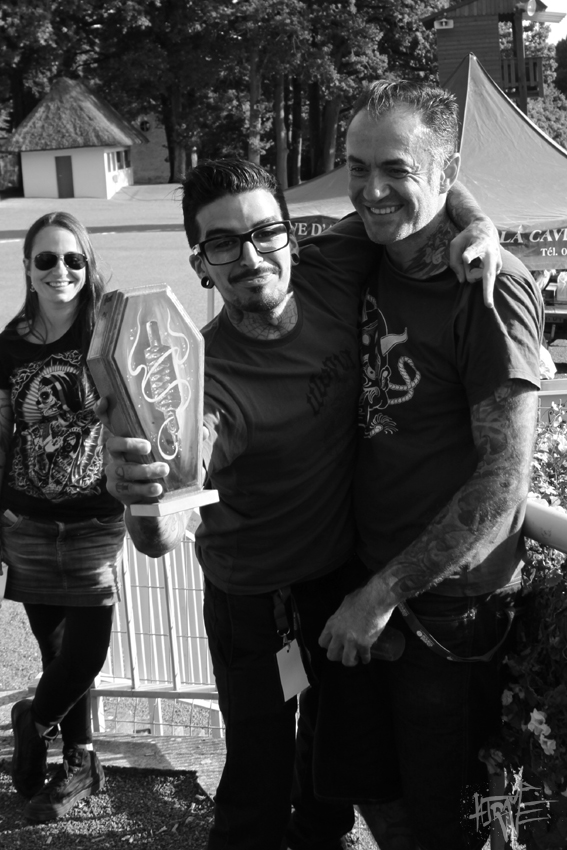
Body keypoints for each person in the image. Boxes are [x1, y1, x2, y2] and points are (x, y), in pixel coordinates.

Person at [101, 158, 501, 850]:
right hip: (256, 605)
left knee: (332, 767)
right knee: (258, 780)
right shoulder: (204, 379)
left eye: (265, 232)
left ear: (293, 234)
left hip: (337, 582)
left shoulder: (329, 266)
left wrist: (480, 225)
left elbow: (424, 184)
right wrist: (144, 500)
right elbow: (170, 512)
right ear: (200, 265)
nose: (251, 256)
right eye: (223, 244)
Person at [315, 81, 543, 850]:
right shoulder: (367, 249)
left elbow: (501, 483)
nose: (371, 190)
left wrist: (381, 594)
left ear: (444, 173)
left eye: (395, 170)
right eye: (357, 167)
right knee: (378, 798)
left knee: (446, 824)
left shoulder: (487, 291)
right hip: (371, 584)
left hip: (446, 613)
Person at [0, 212, 125, 822]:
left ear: (88, 265)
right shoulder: (9, 344)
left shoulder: (107, 330)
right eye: (46, 259)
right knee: (54, 651)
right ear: (27, 268)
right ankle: (80, 760)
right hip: (26, 519)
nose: (60, 271)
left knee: (86, 652)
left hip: (96, 517)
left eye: (73, 259)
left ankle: (34, 718)